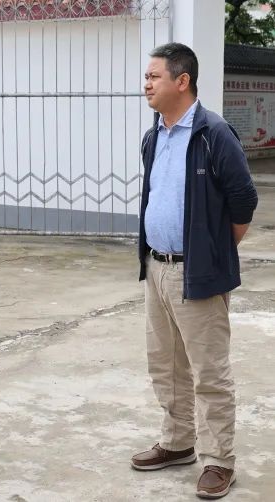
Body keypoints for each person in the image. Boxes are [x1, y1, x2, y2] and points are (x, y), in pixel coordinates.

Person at [131, 43, 258, 499]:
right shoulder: (155, 136)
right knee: (165, 364)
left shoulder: (213, 134)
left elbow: (243, 201)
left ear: (182, 81)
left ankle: (219, 459)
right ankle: (178, 442)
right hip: (157, 266)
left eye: (154, 77)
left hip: (197, 271)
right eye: (146, 77)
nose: (146, 85)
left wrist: (214, 250)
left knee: (209, 372)